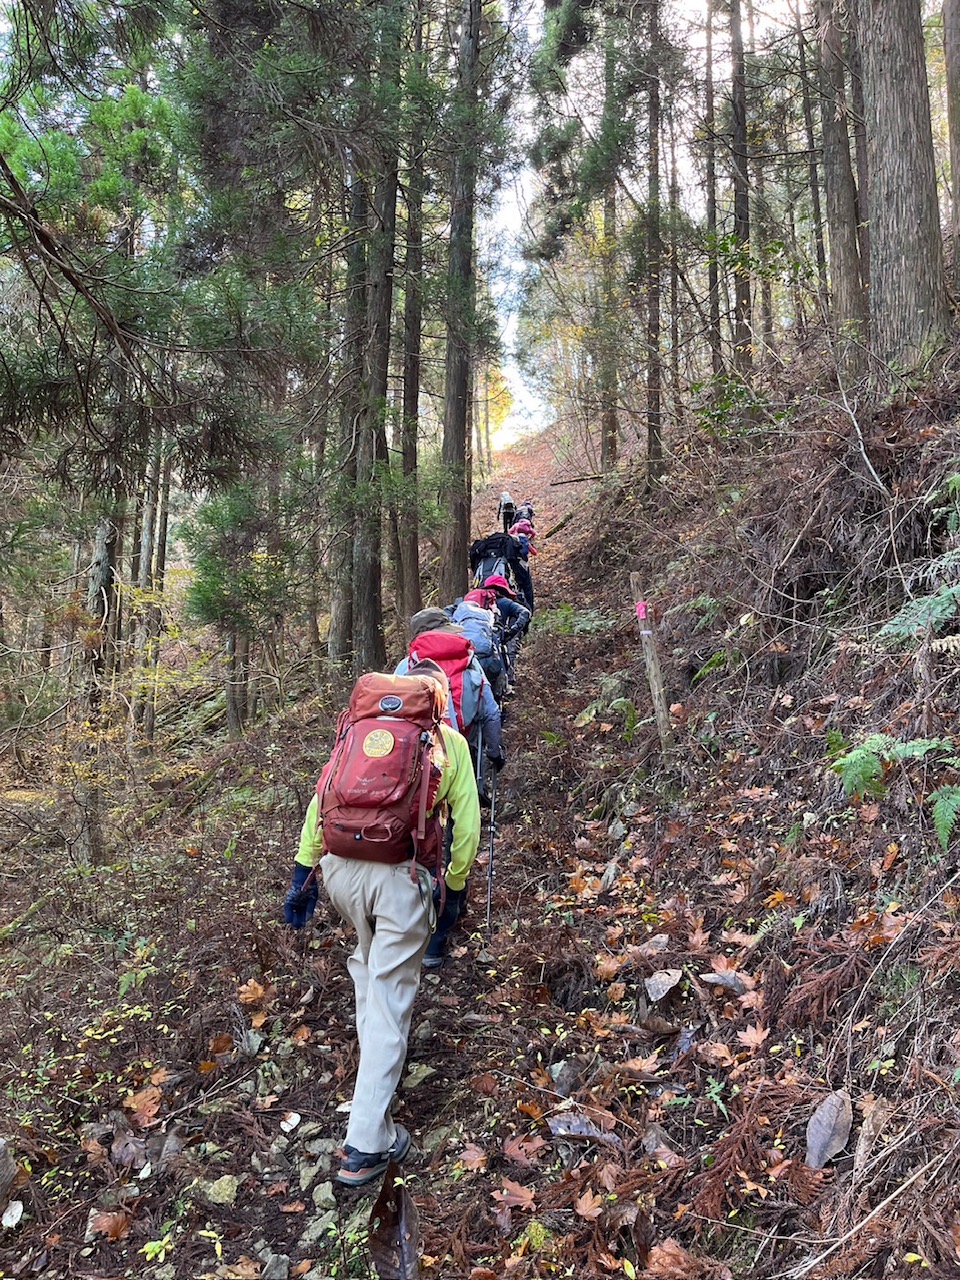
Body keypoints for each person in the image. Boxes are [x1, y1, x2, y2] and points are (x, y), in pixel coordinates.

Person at [286, 662, 480, 1185]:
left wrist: (303, 873)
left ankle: (380, 1114)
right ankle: (366, 1145)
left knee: (370, 972)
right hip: (400, 876)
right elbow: (466, 828)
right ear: (437, 701)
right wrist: (454, 887)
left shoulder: (358, 732)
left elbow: (321, 799)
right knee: (391, 997)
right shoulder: (447, 743)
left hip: (341, 871)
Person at [394, 608, 505, 791]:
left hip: (419, 750)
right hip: (462, 745)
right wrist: (494, 752)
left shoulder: (406, 666)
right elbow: (490, 712)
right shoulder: (469, 661)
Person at [483, 574, 530, 687]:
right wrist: (511, 632)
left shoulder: (476, 602)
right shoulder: (505, 602)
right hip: (497, 643)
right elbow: (525, 613)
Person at [507, 522, 536, 614]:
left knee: (516, 587)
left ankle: (517, 608)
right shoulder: (525, 541)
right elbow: (534, 553)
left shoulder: (512, 540)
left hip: (514, 566)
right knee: (527, 588)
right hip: (524, 566)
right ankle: (530, 609)